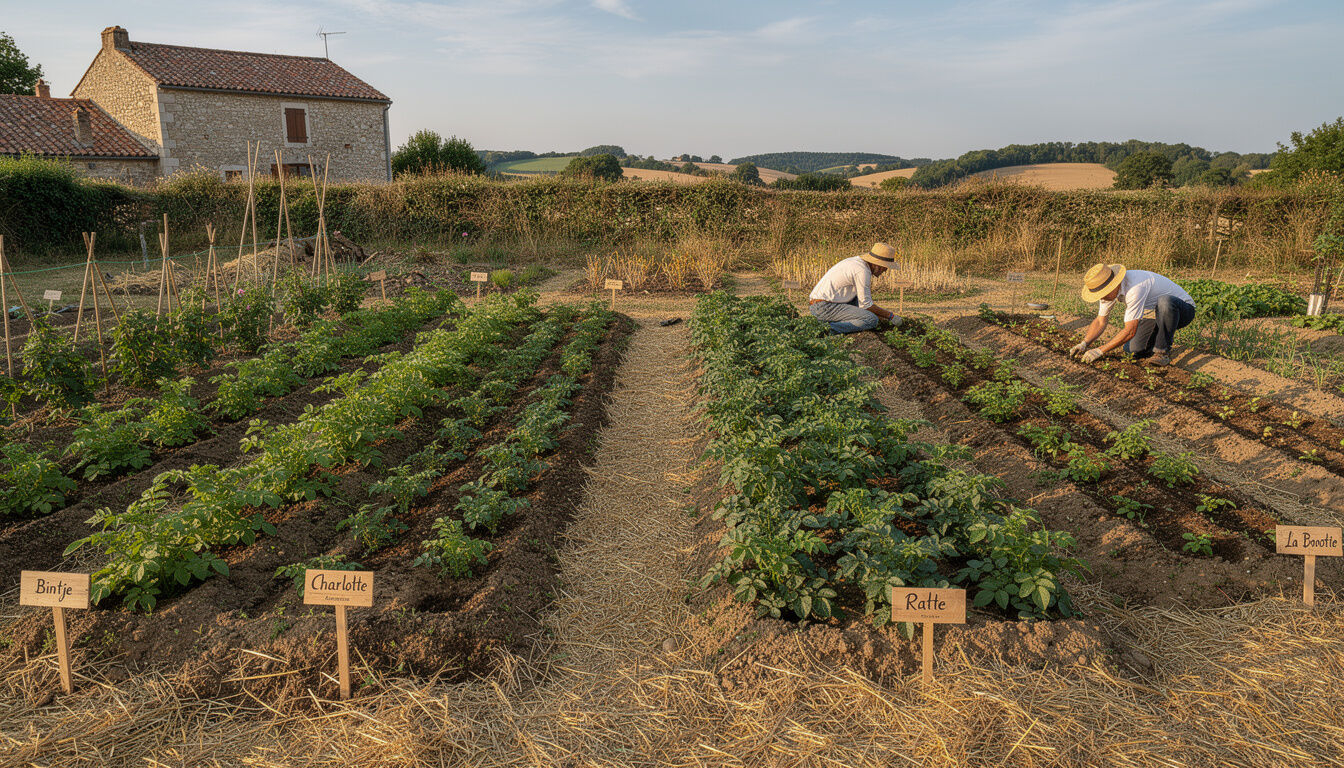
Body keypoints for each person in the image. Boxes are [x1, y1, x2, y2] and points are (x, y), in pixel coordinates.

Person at [1069, 263, 1196, 366]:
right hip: (1153, 314)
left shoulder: (1135, 287)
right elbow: (1100, 321)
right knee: (1132, 349)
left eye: (1104, 293)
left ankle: (1162, 352)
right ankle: (1154, 343)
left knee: (1165, 302)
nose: (1102, 297)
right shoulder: (1109, 293)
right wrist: (1085, 343)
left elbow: (1130, 330)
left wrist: (1100, 350)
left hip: (1182, 311)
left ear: (1113, 285)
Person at [807, 242, 901, 334]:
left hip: (822, 304)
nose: (885, 271)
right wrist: (891, 316)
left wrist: (882, 315)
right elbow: (866, 305)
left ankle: (833, 324)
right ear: (878, 265)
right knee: (871, 319)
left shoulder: (857, 262)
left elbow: (862, 302)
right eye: (885, 267)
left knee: (858, 301)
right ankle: (826, 330)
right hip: (824, 307)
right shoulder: (862, 271)